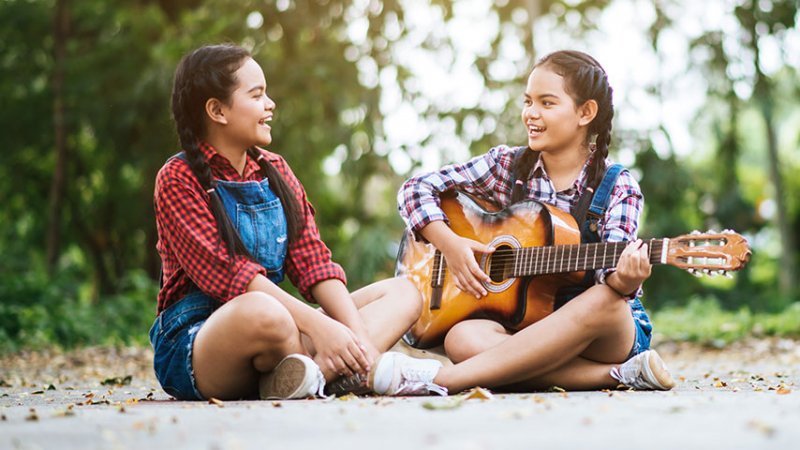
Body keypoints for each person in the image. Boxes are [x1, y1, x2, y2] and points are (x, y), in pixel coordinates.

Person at [367, 50, 676, 396]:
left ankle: (442, 380)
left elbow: (612, 282)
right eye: (528, 101)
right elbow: (415, 189)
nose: (531, 113)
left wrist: (625, 279)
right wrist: (450, 244)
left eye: (547, 103)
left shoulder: (617, 186)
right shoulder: (507, 166)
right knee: (462, 338)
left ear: (586, 112)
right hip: (527, 325)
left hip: (598, 331)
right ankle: (617, 375)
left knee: (606, 299)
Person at [150, 44, 423, 401]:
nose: (270, 104)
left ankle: (321, 373)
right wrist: (318, 325)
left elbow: (314, 264)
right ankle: (321, 372)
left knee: (403, 292)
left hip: (283, 333)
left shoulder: (275, 169)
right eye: (257, 95)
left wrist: (356, 340)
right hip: (200, 342)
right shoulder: (177, 178)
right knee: (266, 312)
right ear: (217, 110)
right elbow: (232, 278)